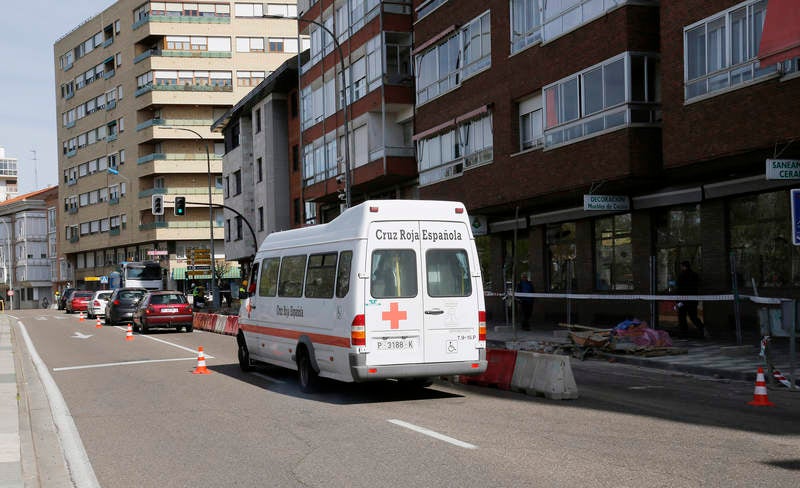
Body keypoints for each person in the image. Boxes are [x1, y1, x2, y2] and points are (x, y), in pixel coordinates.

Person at [676, 261, 706, 339]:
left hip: (683, 300)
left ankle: (684, 334)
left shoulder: (681, 276)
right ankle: (702, 329)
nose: (681, 268)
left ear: (683, 266)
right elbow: (698, 285)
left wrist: (678, 301)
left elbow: (679, 289)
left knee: (682, 317)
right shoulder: (695, 275)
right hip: (693, 300)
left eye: (681, 266)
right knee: (693, 316)